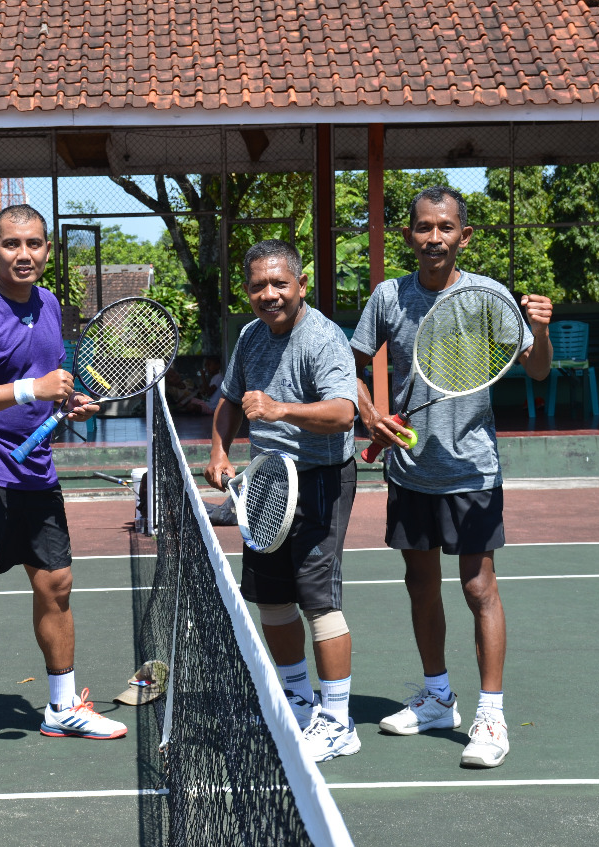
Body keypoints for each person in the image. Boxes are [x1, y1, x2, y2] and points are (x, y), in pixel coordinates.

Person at [349, 185, 553, 769]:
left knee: (477, 587)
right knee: (420, 583)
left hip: (471, 470)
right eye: (422, 227)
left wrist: (538, 332)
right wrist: (370, 415)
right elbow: (352, 364)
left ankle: (492, 713)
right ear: (408, 235)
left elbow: (536, 371)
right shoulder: (389, 297)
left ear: (463, 235)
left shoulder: (489, 297)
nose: (433, 237)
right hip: (410, 470)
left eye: (445, 227)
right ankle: (437, 696)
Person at [0, 204, 125, 777]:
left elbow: (45, 384)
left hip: (35, 470)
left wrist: (63, 398)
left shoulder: (49, 305)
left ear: (46, 250)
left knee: (57, 584)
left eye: (35, 245)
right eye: (12, 244)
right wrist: (29, 388)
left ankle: (62, 707)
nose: (24, 255)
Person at [203, 240, 362, 764]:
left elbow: (343, 413)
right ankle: (296, 701)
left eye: (279, 284)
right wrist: (220, 450)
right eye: (257, 286)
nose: (269, 294)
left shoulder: (323, 338)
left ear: (300, 286)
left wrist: (279, 409)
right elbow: (229, 398)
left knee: (318, 598)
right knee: (270, 595)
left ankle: (338, 722)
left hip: (320, 479)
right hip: (268, 482)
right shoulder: (250, 336)